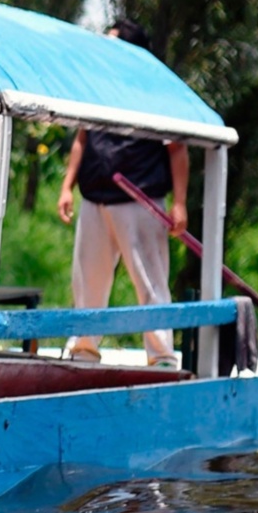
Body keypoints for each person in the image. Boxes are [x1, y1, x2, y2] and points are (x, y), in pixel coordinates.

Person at [55, 18, 188, 366]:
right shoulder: (96, 88)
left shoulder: (154, 92)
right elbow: (82, 138)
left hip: (139, 199)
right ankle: (83, 349)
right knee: (88, 281)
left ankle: (161, 356)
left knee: (150, 280)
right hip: (94, 198)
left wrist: (180, 203)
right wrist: (67, 186)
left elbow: (177, 148)